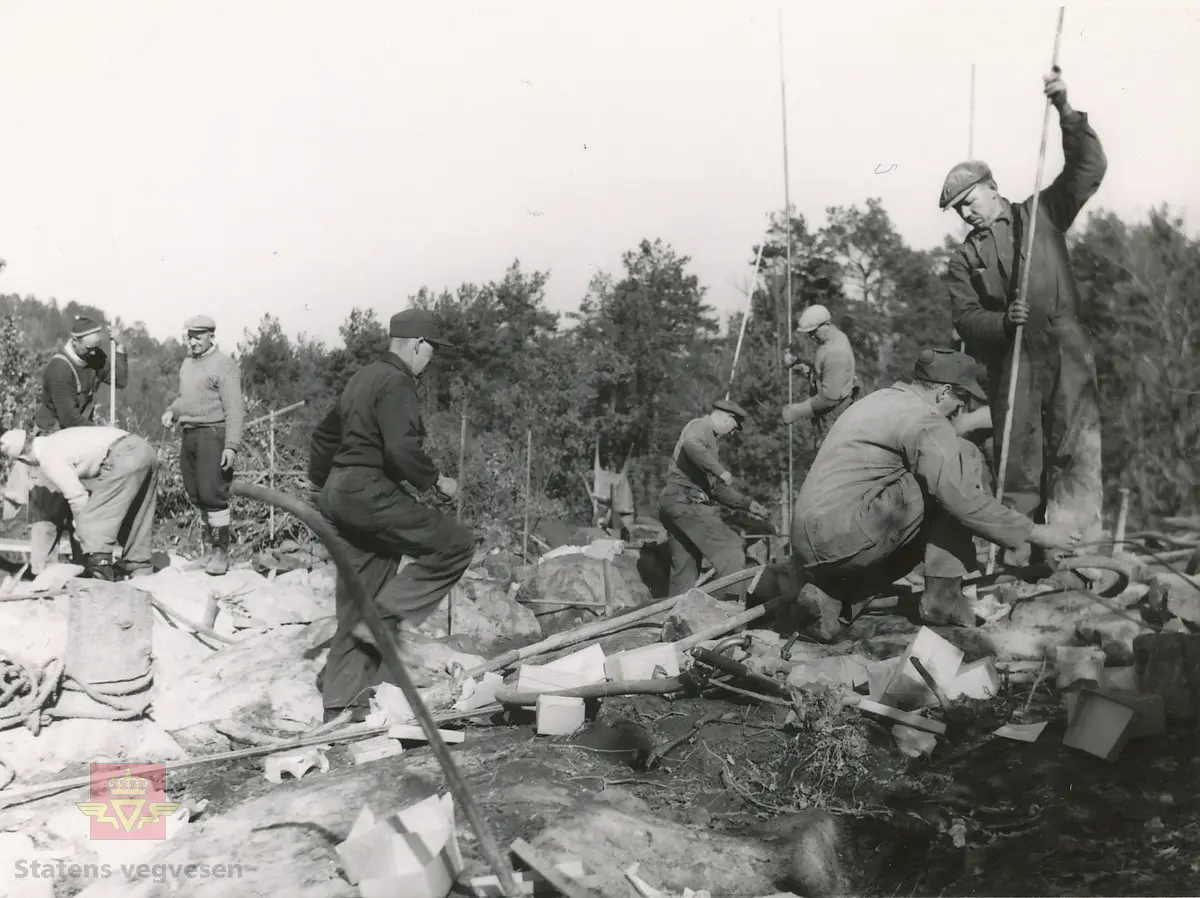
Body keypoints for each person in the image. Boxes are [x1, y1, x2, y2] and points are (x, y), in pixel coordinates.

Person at [941, 67, 1107, 564]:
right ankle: (1019, 561)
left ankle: (1077, 559)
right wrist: (1003, 324)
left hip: (1066, 348)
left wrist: (1065, 110)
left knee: (1075, 449)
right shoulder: (963, 258)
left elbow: (1088, 169)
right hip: (1012, 360)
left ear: (992, 188)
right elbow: (966, 319)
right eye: (958, 211)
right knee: (1018, 457)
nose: (967, 215)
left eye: (969, 202)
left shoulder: (1042, 214)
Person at [791, 349, 1080, 628]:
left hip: (808, 543)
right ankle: (943, 599)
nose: (961, 409)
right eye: (961, 399)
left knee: (933, 479)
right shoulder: (925, 418)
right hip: (841, 539)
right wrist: (1036, 533)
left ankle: (833, 596)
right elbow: (962, 500)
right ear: (943, 392)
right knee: (961, 457)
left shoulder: (879, 399)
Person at [308, 308, 475, 722]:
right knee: (455, 545)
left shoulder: (361, 377)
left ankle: (341, 706)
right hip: (368, 490)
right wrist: (437, 481)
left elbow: (325, 435)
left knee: (359, 595)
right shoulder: (398, 381)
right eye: (432, 351)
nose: (431, 360)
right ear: (418, 344)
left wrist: (323, 486)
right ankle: (383, 618)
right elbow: (401, 450)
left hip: (340, 491)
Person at [28, 316, 129, 574]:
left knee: (82, 509)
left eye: (97, 347)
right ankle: (43, 573)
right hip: (53, 441)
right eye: (89, 348)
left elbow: (120, 380)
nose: (94, 352)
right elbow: (69, 418)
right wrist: (106, 437)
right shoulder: (59, 369)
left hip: (79, 444)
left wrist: (120, 348)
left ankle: (83, 568)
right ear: (75, 341)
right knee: (50, 512)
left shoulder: (93, 355)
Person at [0, 426, 159, 581]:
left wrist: (82, 530)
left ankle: (99, 571)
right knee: (139, 513)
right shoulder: (58, 439)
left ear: (24, 459)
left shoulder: (49, 457)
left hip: (123, 455)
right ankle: (140, 567)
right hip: (144, 449)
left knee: (91, 516)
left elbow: (78, 498)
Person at [658, 398, 768, 602]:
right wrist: (720, 470)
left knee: (685, 570)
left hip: (675, 504)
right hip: (686, 503)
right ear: (727, 418)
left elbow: (715, 489)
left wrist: (746, 504)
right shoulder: (701, 426)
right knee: (732, 550)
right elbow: (692, 444)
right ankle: (731, 617)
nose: (731, 434)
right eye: (733, 428)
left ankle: (676, 623)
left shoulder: (708, 443)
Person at [161, 315, 244, 576]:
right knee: (196, 493)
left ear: (211, 336)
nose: (192, 340)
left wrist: (231, 445)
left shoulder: (224, 365)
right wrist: (172, 411)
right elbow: (185, 397)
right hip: (189, 433)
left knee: (213, 494)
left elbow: (234, 408)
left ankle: (220, 552)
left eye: (198, 335)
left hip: (213, 433)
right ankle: (207, 550)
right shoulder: (187, 364)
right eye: (189, 335)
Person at [781, 304, 860, 444]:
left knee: (828, 462)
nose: (811, 337)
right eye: (808, 333)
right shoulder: (832, 339)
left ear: (827, 325)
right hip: (830, 416)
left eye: (814, 332)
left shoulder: (836, 353)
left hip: (834, 419)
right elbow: (822, 374)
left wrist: (797, 411)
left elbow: (829, 398)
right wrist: (798, 364)